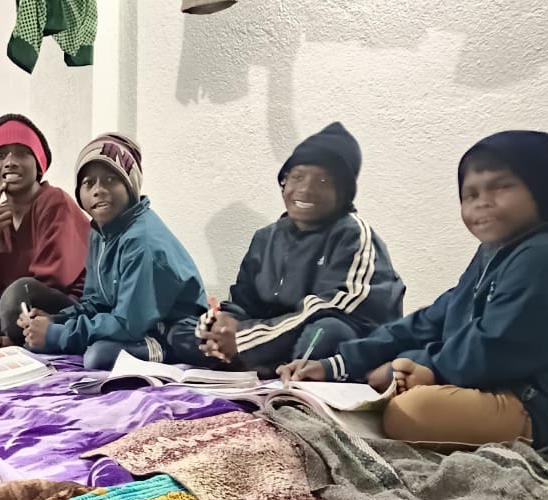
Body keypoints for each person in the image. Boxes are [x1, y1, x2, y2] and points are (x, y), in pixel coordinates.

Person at [280, 131, 548, 449]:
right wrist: (338, 365)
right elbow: (431, 320)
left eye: (501, 187)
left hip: (535, 403)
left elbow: (498, 343)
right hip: (486, 382)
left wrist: (428, 368)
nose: (482, 202)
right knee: (387, 390)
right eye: (469, 194)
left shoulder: (545, 253)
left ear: (545, 186)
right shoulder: (494, 252)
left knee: (408, 412)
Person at [170, 123, 405, 376]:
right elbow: (242, 303)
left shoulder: (354, 234)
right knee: (184, 330)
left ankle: (263, 368)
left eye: (323, 181)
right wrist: (220, 326)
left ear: (344, 193)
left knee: (325, 334)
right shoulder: (265, 237)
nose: (305, 189)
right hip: (269, 339)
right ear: (283, 182)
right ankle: (254, 364)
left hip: (333, 345)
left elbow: (332, 307)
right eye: (297, 177)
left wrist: (245, 339)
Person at [18, 133, 205, 369]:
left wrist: (57, 334)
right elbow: (96, 303)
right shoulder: (101, 231)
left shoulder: (142, 241)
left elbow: (128, 323)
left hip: (171, 330)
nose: (98, 190)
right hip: (134, 322)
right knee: (46, 339)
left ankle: (165, 352)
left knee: (98, 357)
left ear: (130, 187)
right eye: (88, 183)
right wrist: (56, 319)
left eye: (110, 180)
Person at [0, 114, 90, 347]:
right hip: (16, 309)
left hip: (64, 305)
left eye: (22, 153)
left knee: (15, 296)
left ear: (38, 167)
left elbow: (52, 280)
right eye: (1, 155)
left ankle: (9, 335)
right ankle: (10, 336)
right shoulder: (0, 213)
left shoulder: (55, 202)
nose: (10, 162)